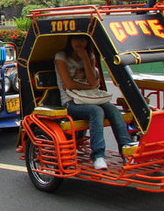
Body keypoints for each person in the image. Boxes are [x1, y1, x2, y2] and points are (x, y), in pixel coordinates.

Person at [54, 36, 137, 171]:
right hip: (70, 102)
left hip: (90, 98)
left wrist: (86, 59)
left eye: (83, 40)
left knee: (113, 111)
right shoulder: (61, 56)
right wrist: (89, 86)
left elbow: (92, 81)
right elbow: (69, 84)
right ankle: (98, 156)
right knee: (96, 111)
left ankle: (126, 151)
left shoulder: (90, 56)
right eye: (76, 39)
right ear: (70, 40)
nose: (79, 43)